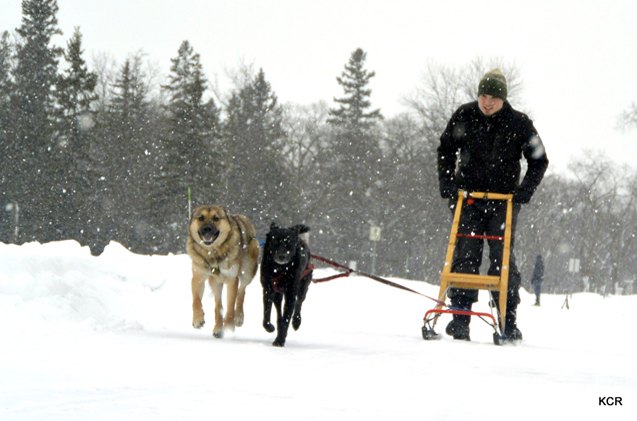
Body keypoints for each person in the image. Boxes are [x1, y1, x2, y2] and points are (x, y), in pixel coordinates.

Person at [437, 68, 549, 341]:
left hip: (504, 202)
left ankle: (507, 319)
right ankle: (460, 317)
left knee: (503, 260)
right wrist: (448, 183)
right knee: (465, 254)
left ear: (503, 99)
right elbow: (445, 149)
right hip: (468, 199)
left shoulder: (519, 123)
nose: (487, 102)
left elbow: (539, 160)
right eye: (484, 96)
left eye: (494, 98)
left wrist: (525, 191)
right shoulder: (464, 115)